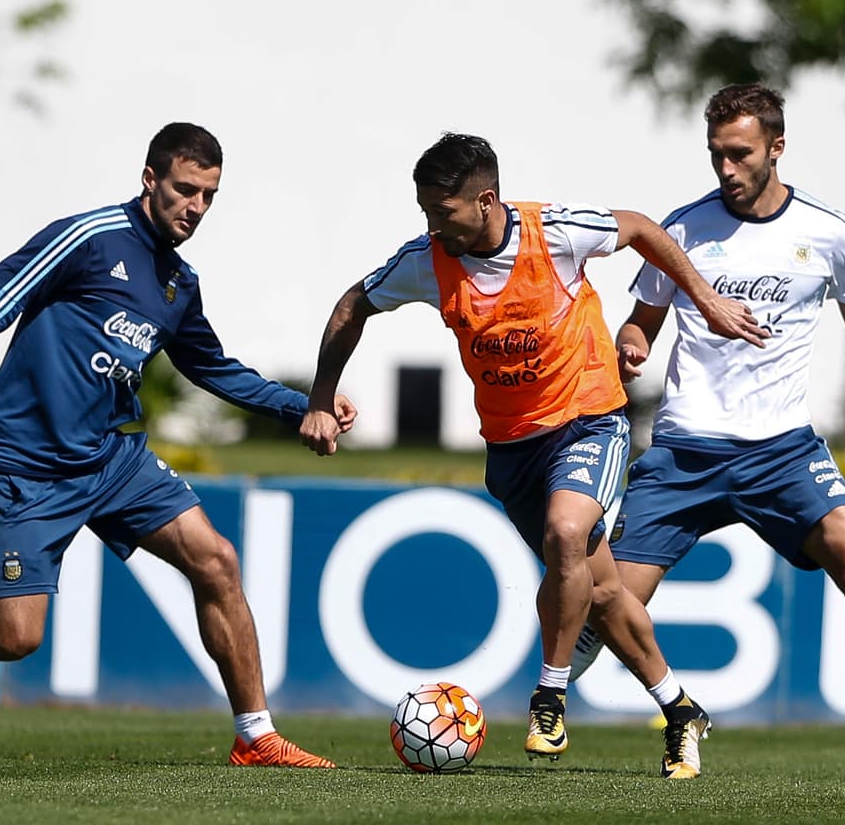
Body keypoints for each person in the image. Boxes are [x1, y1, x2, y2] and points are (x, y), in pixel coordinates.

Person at [0, 123, 350, 768]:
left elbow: (212, 368)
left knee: (216, 561)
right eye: (185, 190)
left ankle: (256, 736)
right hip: (25, 465)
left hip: (113, 459)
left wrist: (307, 404)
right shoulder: (90, 238)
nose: (196, 208)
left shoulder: (177, 284)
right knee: (14, 640)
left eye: (209, 196)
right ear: (150, 180)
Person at [300, 132, 767, 777]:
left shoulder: (557, 233)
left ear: (486, 199)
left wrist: (705, 299)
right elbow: (355, 303)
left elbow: (640, 228)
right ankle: (681, 709)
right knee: (602, 594)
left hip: (589, 420)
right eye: (426, 212)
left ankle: (550, 695)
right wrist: (322, 396)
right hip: (512, 448)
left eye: (443, 211)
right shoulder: (428, 260)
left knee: (565, 532)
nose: (433, 224)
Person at [570, 83, 845, 786]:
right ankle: (525, 705)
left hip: (782, 451)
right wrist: (631, 343)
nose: (725, 169)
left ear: (776, 148)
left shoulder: (828, 233)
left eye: (739, 153)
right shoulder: (682, 229)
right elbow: (643, 321)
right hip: (684, 452)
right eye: (715, 154)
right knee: (605, 600)